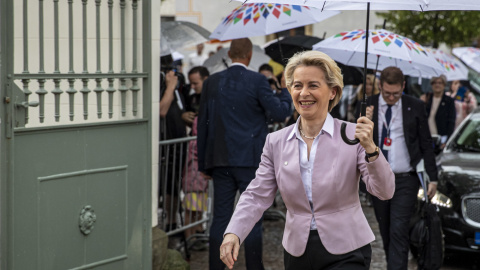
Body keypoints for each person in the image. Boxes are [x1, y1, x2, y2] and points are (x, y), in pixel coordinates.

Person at [218, 50, 395, 270]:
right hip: (297, 252)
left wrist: (371, 148)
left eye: (313, 85)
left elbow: (385, 191)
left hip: (348, 250)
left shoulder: (353, 136)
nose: (304, 93)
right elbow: (256, 195)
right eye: (297, 85)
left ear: (332, 91)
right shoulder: (276, 141)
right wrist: (234, 231)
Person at [197, 38, 292, 270]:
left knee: (220, 218)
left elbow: (203, 124)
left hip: (220, 160)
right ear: (249, 56)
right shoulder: (257, 81)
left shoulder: (212, 82)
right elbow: (279, 113)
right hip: (251, 160)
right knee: (252, 217)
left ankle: (216, 267)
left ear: (229, 53)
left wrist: (203, 164)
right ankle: (254, 267)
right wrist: (285, 92)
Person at [366, 66, 438, 270]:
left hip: (405, 178)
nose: (391, 98)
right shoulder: (368, 105)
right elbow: (355, 143)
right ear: (380, 86)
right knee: (386, 229)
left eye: (396, 94)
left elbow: (426, 143)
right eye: (387, 93)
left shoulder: (414, 106)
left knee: (399, 229)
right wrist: (364, 122)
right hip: (378, 179)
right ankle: (394, 265)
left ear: (403, 86)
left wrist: (433, 178)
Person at [159, 55, 188, 231]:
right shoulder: (163, 85)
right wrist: (170, 86)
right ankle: (165, 223)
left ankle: (172, 221)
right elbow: (162, 110)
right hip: (166, 142)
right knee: (167, 184)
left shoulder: (177, 87)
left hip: (178, 143)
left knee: (175, 183)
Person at [420, 75, 456, 151]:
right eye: (435, 83)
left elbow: (451, 122)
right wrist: (420, 103)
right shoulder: (426, 98)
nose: (437, 85)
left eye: (440, 83)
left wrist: (447, 141)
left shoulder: (449, 101)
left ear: (444, 85)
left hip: (441, 138)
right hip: (426, 137)